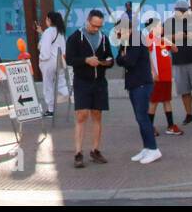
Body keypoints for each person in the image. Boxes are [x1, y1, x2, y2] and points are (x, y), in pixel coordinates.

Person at [65, 9, 114, 167]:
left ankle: (95, 150)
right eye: (93, 25)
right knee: (81, 115)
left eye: (99, 26)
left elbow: (109, 57)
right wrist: (86, 60)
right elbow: (70, 59)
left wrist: (106, 62)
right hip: (82, 81)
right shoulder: (75, 38)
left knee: (97, 114)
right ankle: (78, 153)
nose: (96, 29)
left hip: (99, 81)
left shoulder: (104, 38)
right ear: (87, 21)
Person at [116, 18, 160, 164]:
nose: (117, 32)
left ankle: (154, 149)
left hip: (142, 84)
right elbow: (119, 59)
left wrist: (123, 58)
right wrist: (123, 56)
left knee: (143, 117)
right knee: (139, 118)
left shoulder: (136, 39)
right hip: (133, 85)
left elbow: (130, 61)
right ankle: (147, 147)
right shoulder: (126, 42)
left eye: (120, 30)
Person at [145, 17, 182, 136]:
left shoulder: (163, 40)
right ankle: (149, 127)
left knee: (167, 100)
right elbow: (148, 57)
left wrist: (169, 41)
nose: (162, 28)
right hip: (157, 77)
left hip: (166, 76)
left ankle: (171, 126)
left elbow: (175, 50)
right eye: (160, 26)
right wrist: (152, 72)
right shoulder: (149, 39)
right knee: (154, 101)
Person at [37, 11, 68, 117]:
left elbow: (45, 48)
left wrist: (42, 59)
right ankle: (70, 96)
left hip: (48, 62)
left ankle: (50, 109)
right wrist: (41, 32)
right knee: (61, 83)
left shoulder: (49, 31)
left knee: (48, 85)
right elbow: (63, 49)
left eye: (46, 19)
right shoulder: (60, 31)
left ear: (49, 20)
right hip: (59, 61)